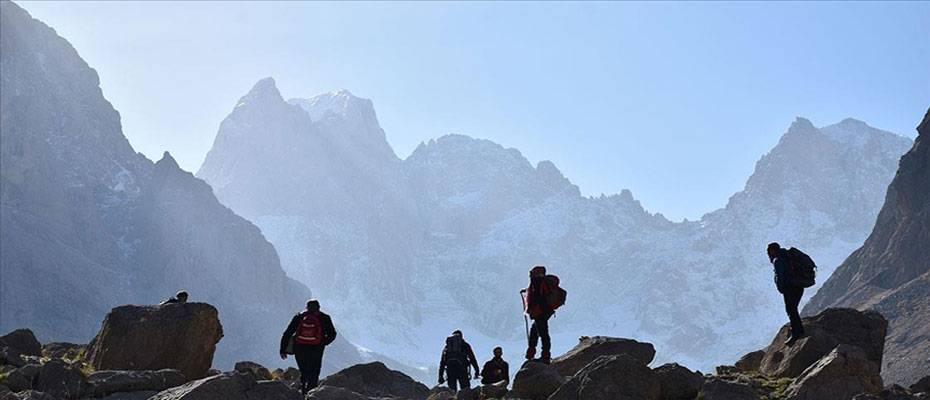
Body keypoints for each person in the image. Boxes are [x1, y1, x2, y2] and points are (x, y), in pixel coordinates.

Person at [280, 299, 337, 394]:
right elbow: (332, 334)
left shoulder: (299, 316)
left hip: (300, 348)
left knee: (303, 371)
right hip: (316, 349)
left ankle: (303, 392)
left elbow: (287, 333)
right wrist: (323, 343)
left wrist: (283, 349)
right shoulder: (325, 317)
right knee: (314, 372)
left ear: (306, 307)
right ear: (318, 307)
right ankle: (312, 393)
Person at [768, 242, 806, 345]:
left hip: (790, 287)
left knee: (790, 309)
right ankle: (800, 330)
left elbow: (780, 276)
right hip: (799, 285)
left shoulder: (778, 260)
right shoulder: (788, 256)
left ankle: (796, 333)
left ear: (772, 250)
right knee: (793, 308)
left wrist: (781, 288)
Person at [525, 266, 553, 363]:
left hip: (540, 312)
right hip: (545, 311)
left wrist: (533, 310)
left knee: (542, 333)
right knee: (537, 332)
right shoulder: (542, 282)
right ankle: (535, 354)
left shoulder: (536, 281)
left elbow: (536, 297)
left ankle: (544, 357)